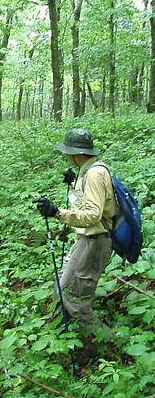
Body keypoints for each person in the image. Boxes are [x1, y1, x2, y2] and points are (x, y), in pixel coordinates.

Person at [35, 128, 117, 336]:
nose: (66, 157)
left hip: (95, 241)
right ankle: (64, 331)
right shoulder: (90, 169)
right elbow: (91, 199)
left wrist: (57, 213)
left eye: (68, 153)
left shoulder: (94, 174)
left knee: (74, 297)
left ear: (75, 154)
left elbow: (92, 215)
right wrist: (74, 183)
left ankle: (107, 340)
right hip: (87, 239)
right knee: (63, 286)